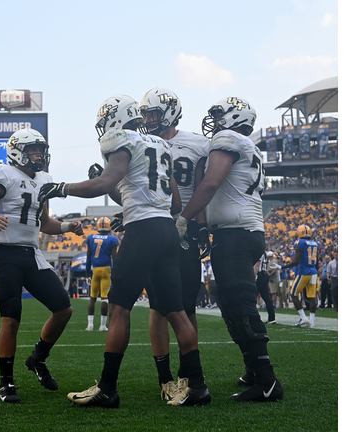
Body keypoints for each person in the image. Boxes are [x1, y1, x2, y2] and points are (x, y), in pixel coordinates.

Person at [39, 94, 210, 408]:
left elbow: (105, 183)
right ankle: (197, 387)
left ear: (113, 119)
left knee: (119, 309)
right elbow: (174, 204)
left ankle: (107, 388)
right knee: (176, 312)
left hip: (143, 231)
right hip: (166, 231)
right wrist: (132, 201)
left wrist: (62, 188)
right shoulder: (159, 145)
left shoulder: (121, 140)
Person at [174, 96, 282, 402]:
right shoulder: (246, 146)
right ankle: (253, 368)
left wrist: (184, 219)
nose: (216, 121)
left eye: (221, 115)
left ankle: (267, 380)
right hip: (240, 232)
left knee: (241, 304)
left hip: (237, 233)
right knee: (231, 304)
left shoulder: (228, 138)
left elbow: (209, 184)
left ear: (236, 117)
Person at [0, 127, 82, 404]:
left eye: (40, 150)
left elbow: (47, 224)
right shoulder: (3, 174)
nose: (39, 155)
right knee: (11, 317)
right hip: (4, 252)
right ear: (18, 150)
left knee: (63, 308)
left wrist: (68, 226)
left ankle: (38, 359)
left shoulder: (43, 179)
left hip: (31, 253)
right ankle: (6, 382)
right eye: (33, 150)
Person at [139, 88, 211, 401]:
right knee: (158, 307)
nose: (148, 119)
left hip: (186, 228)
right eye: (146, 114)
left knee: (186, 305)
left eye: (153, 113)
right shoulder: (139, 142)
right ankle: (165, 378)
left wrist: (204, 226)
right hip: (155, 226)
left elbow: (202, 187)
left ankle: (187, 373)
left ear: (169, 112)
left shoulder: (197, 143)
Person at [84, 217, 119, 332]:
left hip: (95, 269)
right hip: (106, 269)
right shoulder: (112, 239)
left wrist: (87, 271)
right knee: (104, 298)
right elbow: (114, 257)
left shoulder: (91, 238)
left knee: (92, 297)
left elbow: (88, 256)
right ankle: (102, 326)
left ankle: (90, 325)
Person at [282, 224, 319, 328]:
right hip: (313, 272)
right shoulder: (315, 243)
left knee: (293, 294)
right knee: (311, 297)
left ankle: (303, 317)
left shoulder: (299, 242)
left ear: (299, 232)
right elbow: (316, 262)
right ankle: (311, 321)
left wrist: (282, 267)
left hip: (304, 272)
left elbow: (296, 261)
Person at [255, 251, 276, 324]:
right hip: (264, 274)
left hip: (260, 275)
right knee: (266, 297)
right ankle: (272, 318)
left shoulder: (258, 251)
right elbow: (266, 264)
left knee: (253, 295)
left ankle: (253, 317)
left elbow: (257, 265)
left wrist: (254, 276)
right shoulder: (264, 253)